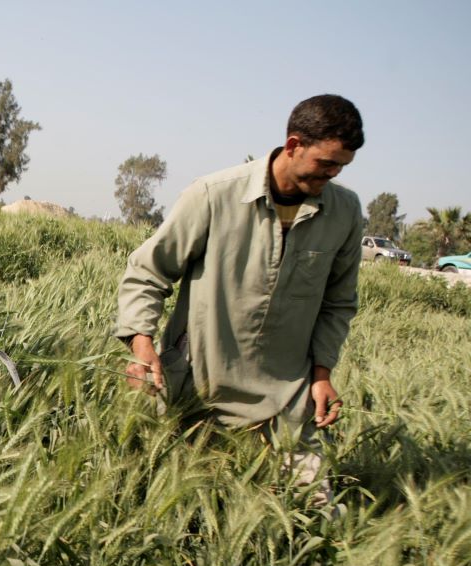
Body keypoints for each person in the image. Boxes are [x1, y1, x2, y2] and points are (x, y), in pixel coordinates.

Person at [114, 94, 364, 453]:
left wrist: (322, 376)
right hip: (198, 391)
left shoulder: (345, 212)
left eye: (342, 166)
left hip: (286, 403)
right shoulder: (214, 195)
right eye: (327, 162)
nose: (334, 173)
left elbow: (338, 303)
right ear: (293, 145)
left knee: (313, 506)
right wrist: (142, 345)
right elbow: (148, 271)